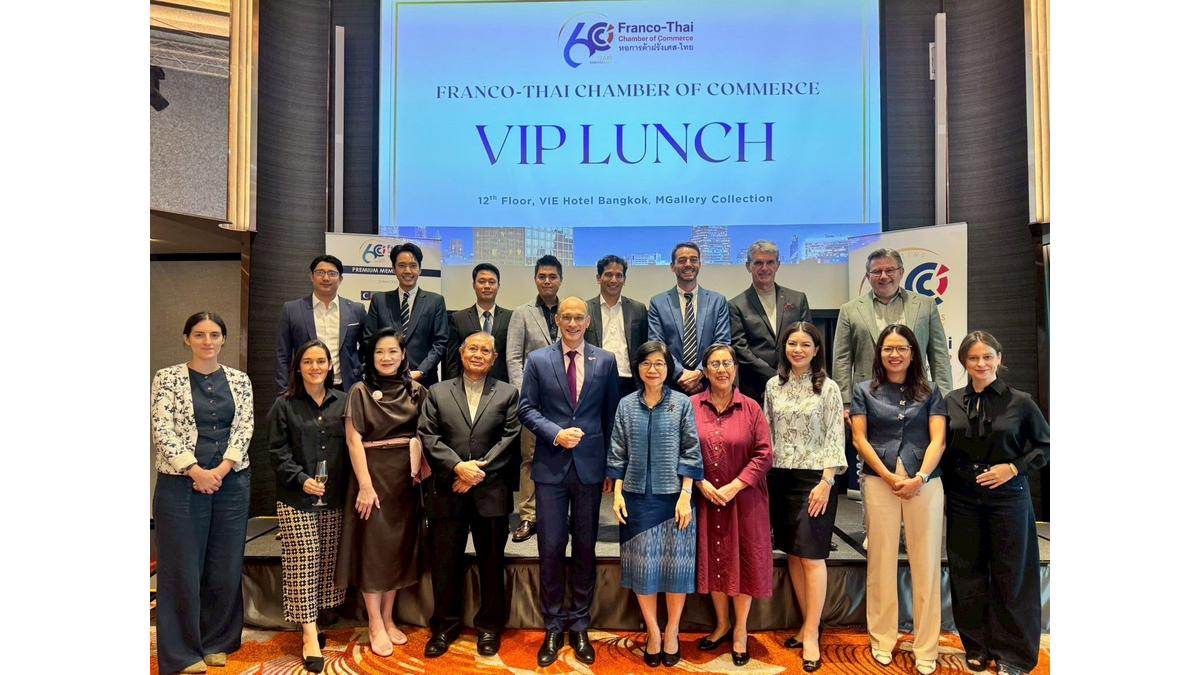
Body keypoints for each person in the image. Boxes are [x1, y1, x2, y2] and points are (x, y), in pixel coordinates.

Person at [518, 297, 621, 668]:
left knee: (585, 547)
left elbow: (611, 416)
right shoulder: (538, 360)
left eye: (579, 317)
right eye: (567, 317)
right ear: (557, 321)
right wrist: (555, 433)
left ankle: (579, 623)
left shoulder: (605, 360)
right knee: (550, 546)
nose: (573, 323)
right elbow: (526, 408)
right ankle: (552, 624)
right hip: (550, 467)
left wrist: (611, 467)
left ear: (588, 321)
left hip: (591, 468)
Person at [151, 311, 253, 674]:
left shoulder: (240, 380)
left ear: (224, 339)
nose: (207, 341)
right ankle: (182, 653)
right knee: (181, 568)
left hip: (231, 483)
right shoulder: (166, 378)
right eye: (199, 334)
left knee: (225, 564)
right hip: (181, 484)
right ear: (186, 339)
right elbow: (162, 430)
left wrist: (221, 471)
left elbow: (245, 428)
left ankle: (217, 642)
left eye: (214, 334)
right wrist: (195, 471)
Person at [944, 332, 1048, 675]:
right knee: (967, 571)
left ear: (999, 358)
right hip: (963, 497)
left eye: (987, 356)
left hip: (1008, 496)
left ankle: (1013, 655)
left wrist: (1014, 467)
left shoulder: (1021, 402)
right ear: (963, 362)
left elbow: (1045, 446)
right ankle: (976, 646)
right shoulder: (951, 401)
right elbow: (943, 447)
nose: (981, 364)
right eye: (973, 358)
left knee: (1011, 573)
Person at [833, 247, 953, 539]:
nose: (883, 276)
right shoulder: (851, 309)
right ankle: (875, 527)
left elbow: (939, 354)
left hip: (917, 399)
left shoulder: (925, 305)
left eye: (889, 270)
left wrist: (945, 399)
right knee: (870, 465)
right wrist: (846, 402)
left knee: (914, 456)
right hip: (869, 400)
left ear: (901, 272)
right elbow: (842, 358)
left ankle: (912, 529)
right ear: (868, 276)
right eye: (876, 271)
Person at [850, 324, 948, 675]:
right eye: (888, 348)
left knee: (926, 564)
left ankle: (926, 646)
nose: (895, 354)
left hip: (926, 484)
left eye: (902, 348)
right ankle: (882, 639)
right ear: (879, 353)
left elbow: (938, 440)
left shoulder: (931, 391)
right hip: (880, 482)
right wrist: (889, 476)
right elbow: (859, 439)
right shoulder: (864, 390)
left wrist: (920, 477)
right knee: (880, 561)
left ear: (912, 352)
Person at [418, 332, 522, 658]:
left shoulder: (508, 393)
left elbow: (510, 438)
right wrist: (457, 468)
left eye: (485, 351)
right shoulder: (437, 392)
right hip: (447, 490)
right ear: (461, 353)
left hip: (491, 493)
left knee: (491, 563)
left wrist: (475, 473)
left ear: (494, 359)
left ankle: (489, 627)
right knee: (445, 564)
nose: (478, 354)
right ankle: (444, 627)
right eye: (472, 348)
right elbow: (428, 435)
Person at [608, 341, 704, 668]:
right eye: (647, 363)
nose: (653, 369)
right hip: (636, 499)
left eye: (659, 364)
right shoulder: (625, 405)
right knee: (642, 570)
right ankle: (653, 632)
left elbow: (691, 450)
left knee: (677, 569)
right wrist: (617, 493)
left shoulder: (682, 403)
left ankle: (672, 630)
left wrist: (686, 495)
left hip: (675, 500)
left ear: (668, 368)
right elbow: (617, 452)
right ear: (638, 367)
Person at [334, 328, 427, 657]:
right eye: (379, 352)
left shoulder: (416, 391)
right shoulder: (359, 391)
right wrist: (365, 485)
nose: (386, 358)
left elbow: (426, 433)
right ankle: (374, 622)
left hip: (405, 479)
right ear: (370, 357)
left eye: (392, 351)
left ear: (403, 355)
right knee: (373, 551)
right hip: (371, 477)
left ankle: (389, 617)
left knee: (397, 550)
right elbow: (353, 440)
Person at [763, 322, 847, 672]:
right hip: (779, 478)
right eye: (792, 344)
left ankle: (812, 633)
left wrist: (827, 481)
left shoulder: (828, 388)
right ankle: (805, 623)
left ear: (816, 350)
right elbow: (766, 432)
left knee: (812, 556)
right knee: (794, 555)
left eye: (805, 344)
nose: (797, 350)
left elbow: (835, 437)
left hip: (815, 480)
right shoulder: (773, 385)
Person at [266, 340, 349, 673]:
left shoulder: (344, 401)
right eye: (308, 362)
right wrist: (301, 479)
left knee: (327, 561)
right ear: (298, 368)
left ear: (330, 366)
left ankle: (317, 620)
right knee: (304, 559)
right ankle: (309, 635)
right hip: (296, 497)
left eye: (321, 361)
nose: (315, 367)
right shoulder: (284, 404)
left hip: (334, 496)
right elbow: (277, 452)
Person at [692, 344, 773, 668]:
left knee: (743, 561)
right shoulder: (691, 406)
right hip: (706, 497)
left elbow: (764, 454)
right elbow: (683, 449)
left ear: (735, 368)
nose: (722, 369)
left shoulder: (751, 408)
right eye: (715, 364)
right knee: (714, 559)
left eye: (727, 363)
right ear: (705, 371)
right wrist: (701, 483)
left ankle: (740, 630)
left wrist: (735, 485)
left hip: (745, 500)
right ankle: (722, 623)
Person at [505, 254, 565, 542]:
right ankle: (528, 516)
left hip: (565, 403)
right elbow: (514, 358)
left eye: (552, 276)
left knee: (563, 459)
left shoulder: (571, 311)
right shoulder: (522, 313)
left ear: (560, 280)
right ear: (535, 279)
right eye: (542, 276)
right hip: (533, 404)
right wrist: (525, 398)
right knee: (529, 458)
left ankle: (558, 514)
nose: (547, 281)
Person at [729, 241, 812, 403]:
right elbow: (740, 348)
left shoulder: (798, 299)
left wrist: (790, 374)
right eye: (758, 263)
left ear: (778, 265)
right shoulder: (736, 305)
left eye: (770, 262)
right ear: (748, 266)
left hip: (797, 382)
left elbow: (808, 340)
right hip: (756, 389)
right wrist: (773, 376)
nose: (764, 268)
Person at [647, 242, 732, 394]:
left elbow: (722, 342)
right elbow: (657, 345)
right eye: (682, 260)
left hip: (709, 385)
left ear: (700, 264)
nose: (688, 264)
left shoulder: (717, 301)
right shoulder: (658, 303)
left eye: (693, 260)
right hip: (671, 386)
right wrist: (681, 374)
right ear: (672, 267)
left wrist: (700, 372)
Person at [275, 254, 367, 393]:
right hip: (305, 388)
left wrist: (355, 365)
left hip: (346, 387)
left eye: (332, 273)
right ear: (312, 277)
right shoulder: (292, 310)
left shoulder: (356, 310)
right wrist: (283, 392)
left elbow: (367, 347)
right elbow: (283, 355)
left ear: (340, 279)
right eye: (320, 273)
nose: (326, 278)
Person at [364, 242, 449, 385]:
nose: (408, 271)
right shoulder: (379, 300)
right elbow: (369, 340)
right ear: (393, 269)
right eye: (402, 265)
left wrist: (421, 371)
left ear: (420, 269)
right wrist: (386, 368)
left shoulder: (435, 301)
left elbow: (440, 343)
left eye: (413, 265)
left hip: (423, 381)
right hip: (385, 379)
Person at [583, 254, 648, 397]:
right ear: (598, 278)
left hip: (631, 383)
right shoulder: (586, 309)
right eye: (608, 275)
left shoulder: (638, 309)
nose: (614, 280)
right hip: (595, 382)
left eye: (619, 275)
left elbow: (645, 346)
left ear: (624, 280)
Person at [443, 263, 511, 383]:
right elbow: (453, 361)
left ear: (498, 286)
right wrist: (452, 387)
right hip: (467, 384)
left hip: (501, 385)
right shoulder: (458, 318)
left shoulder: (510, 317)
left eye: (492, 282)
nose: (487, 286)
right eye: (482, 281)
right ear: (474, 285)